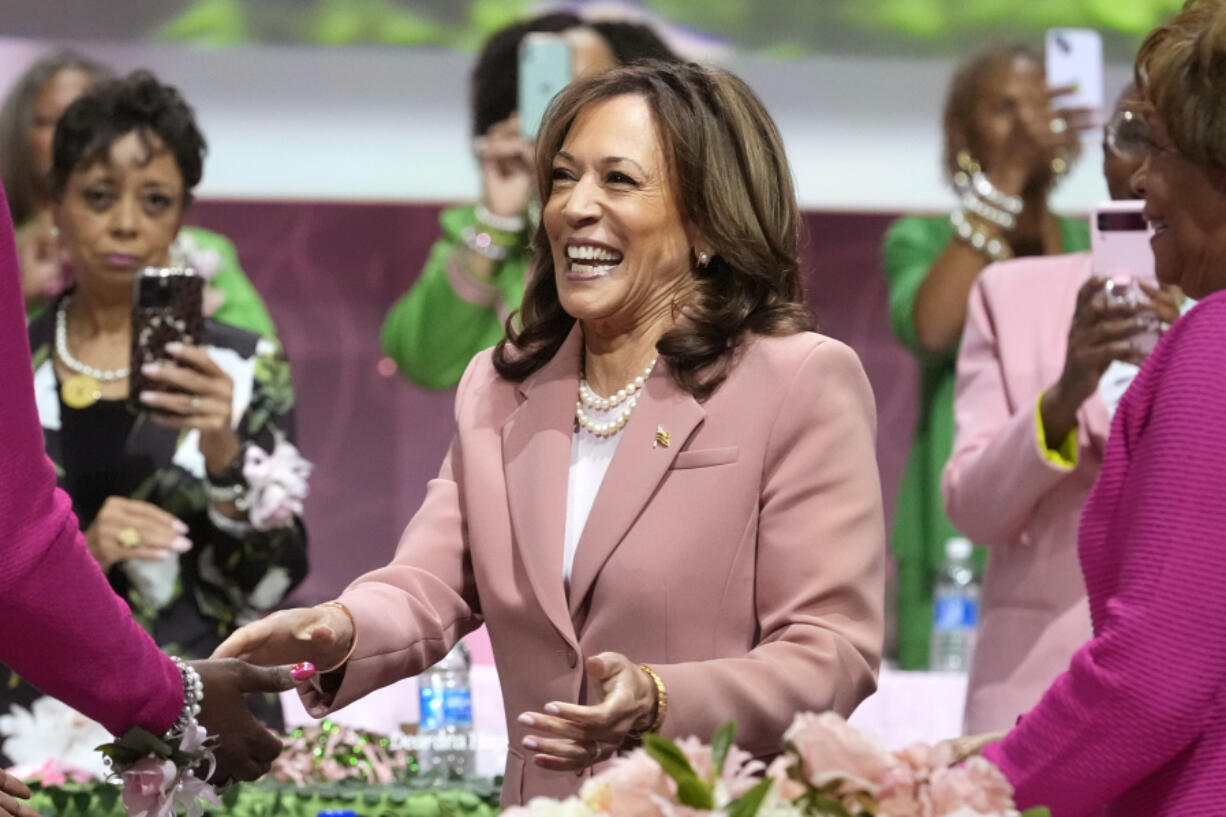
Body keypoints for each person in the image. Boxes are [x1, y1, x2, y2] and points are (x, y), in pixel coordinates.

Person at [217, 61, 885, 805]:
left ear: (707, 224)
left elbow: (831, 650)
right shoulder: (500, 387)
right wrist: (337, 628)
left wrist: (663, 697)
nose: (574, 207)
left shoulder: (795, 380)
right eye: (564, 178)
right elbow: (430, 580)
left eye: (618, 181)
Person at [0, 70, 309, 749]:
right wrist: (76, 552)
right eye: (99, 196)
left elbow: (275, 577)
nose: (127, 223)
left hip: (211, 719)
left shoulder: (242, 364)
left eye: (156, 199)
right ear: (54, 204)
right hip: (43, 732)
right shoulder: (14, 366)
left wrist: (226, 449)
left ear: (182, 214)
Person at [977, 2, 1226, 811]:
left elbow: (1152, 675)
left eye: (1161, 148)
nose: (1138, 180)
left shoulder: (1213, 344)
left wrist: (968, 789)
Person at [941, 84, 1183, 734]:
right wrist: (1064, 394)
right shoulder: (1011, 293)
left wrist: (1191, 357)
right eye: (1129, 136)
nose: (1142, 168)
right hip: (1029, 695)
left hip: (1188, 706)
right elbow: (973, 507)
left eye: (1168, 141)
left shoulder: (1211, 323)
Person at [884, 43, 1093, 669]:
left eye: (1039, 107)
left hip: (1074, 533)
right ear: (962, 132)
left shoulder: (1092, 243)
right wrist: (1004, 178)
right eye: (1006, 108)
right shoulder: (919, 238)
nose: (1028, 124)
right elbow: (931, 328)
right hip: (957, 538)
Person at [380, 14, 678, 389]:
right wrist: (498, 220)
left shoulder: (664, 220)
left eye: (594, 92)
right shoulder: (482, 229)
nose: (568, 111)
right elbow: (423, 361)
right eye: (548, 90)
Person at [0, 50, 276, 337]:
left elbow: (263, 362)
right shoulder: (9, 253)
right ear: (19, 132)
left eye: (90, 117)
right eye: (52, 120)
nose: (125, 225)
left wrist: (202, 329)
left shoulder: (200, 256)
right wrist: (11, 297)